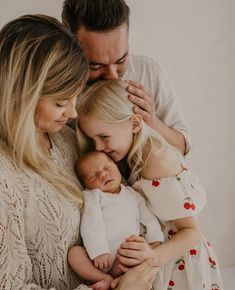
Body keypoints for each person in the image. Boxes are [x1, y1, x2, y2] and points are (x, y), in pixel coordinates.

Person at [0, 15, 158, 290]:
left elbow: (124, 202)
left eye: (75, 97)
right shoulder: (6, 179)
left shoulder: (68, 141)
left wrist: (143, 251)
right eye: (61, 102)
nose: (72, 113)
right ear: (21, 96)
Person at [76, 79, 223, 290]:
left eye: (104, 137)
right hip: (158, 257)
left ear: (135, 123)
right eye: (93, 140)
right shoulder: (131, 156)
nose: (98, 147)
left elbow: (191, 232)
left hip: (178, 259)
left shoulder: (156, 162)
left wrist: (153, 256)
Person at [62, 0, 191, 158]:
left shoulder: (148, 71)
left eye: (121, 60)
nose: (113, 75)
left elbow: (182, 149)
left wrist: (152, 122)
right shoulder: (58, 87)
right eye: (95, 66)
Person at [68, 151, 163, 290]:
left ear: (117, 167)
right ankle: (103, 278)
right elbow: (91, 224)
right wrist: (98, 250)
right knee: (74, 254)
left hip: (126, 254)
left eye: (107, 168)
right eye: (93, 176)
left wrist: (155, 241)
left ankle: (116, 281)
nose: (102, 175)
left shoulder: (133, 194)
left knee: (142, 259)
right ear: (86, 185)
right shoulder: (94, 196)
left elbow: (149, 219)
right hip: (99, 257)